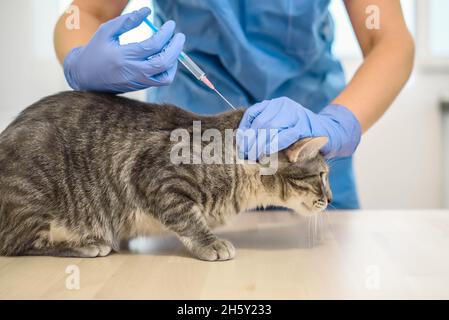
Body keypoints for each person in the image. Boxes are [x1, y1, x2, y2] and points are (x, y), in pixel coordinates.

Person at [54, 0, 414, 209]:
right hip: (191, 152)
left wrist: (338, 123)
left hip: (308, 140)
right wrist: (81, 59)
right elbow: (86, 12)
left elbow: (389, 39)